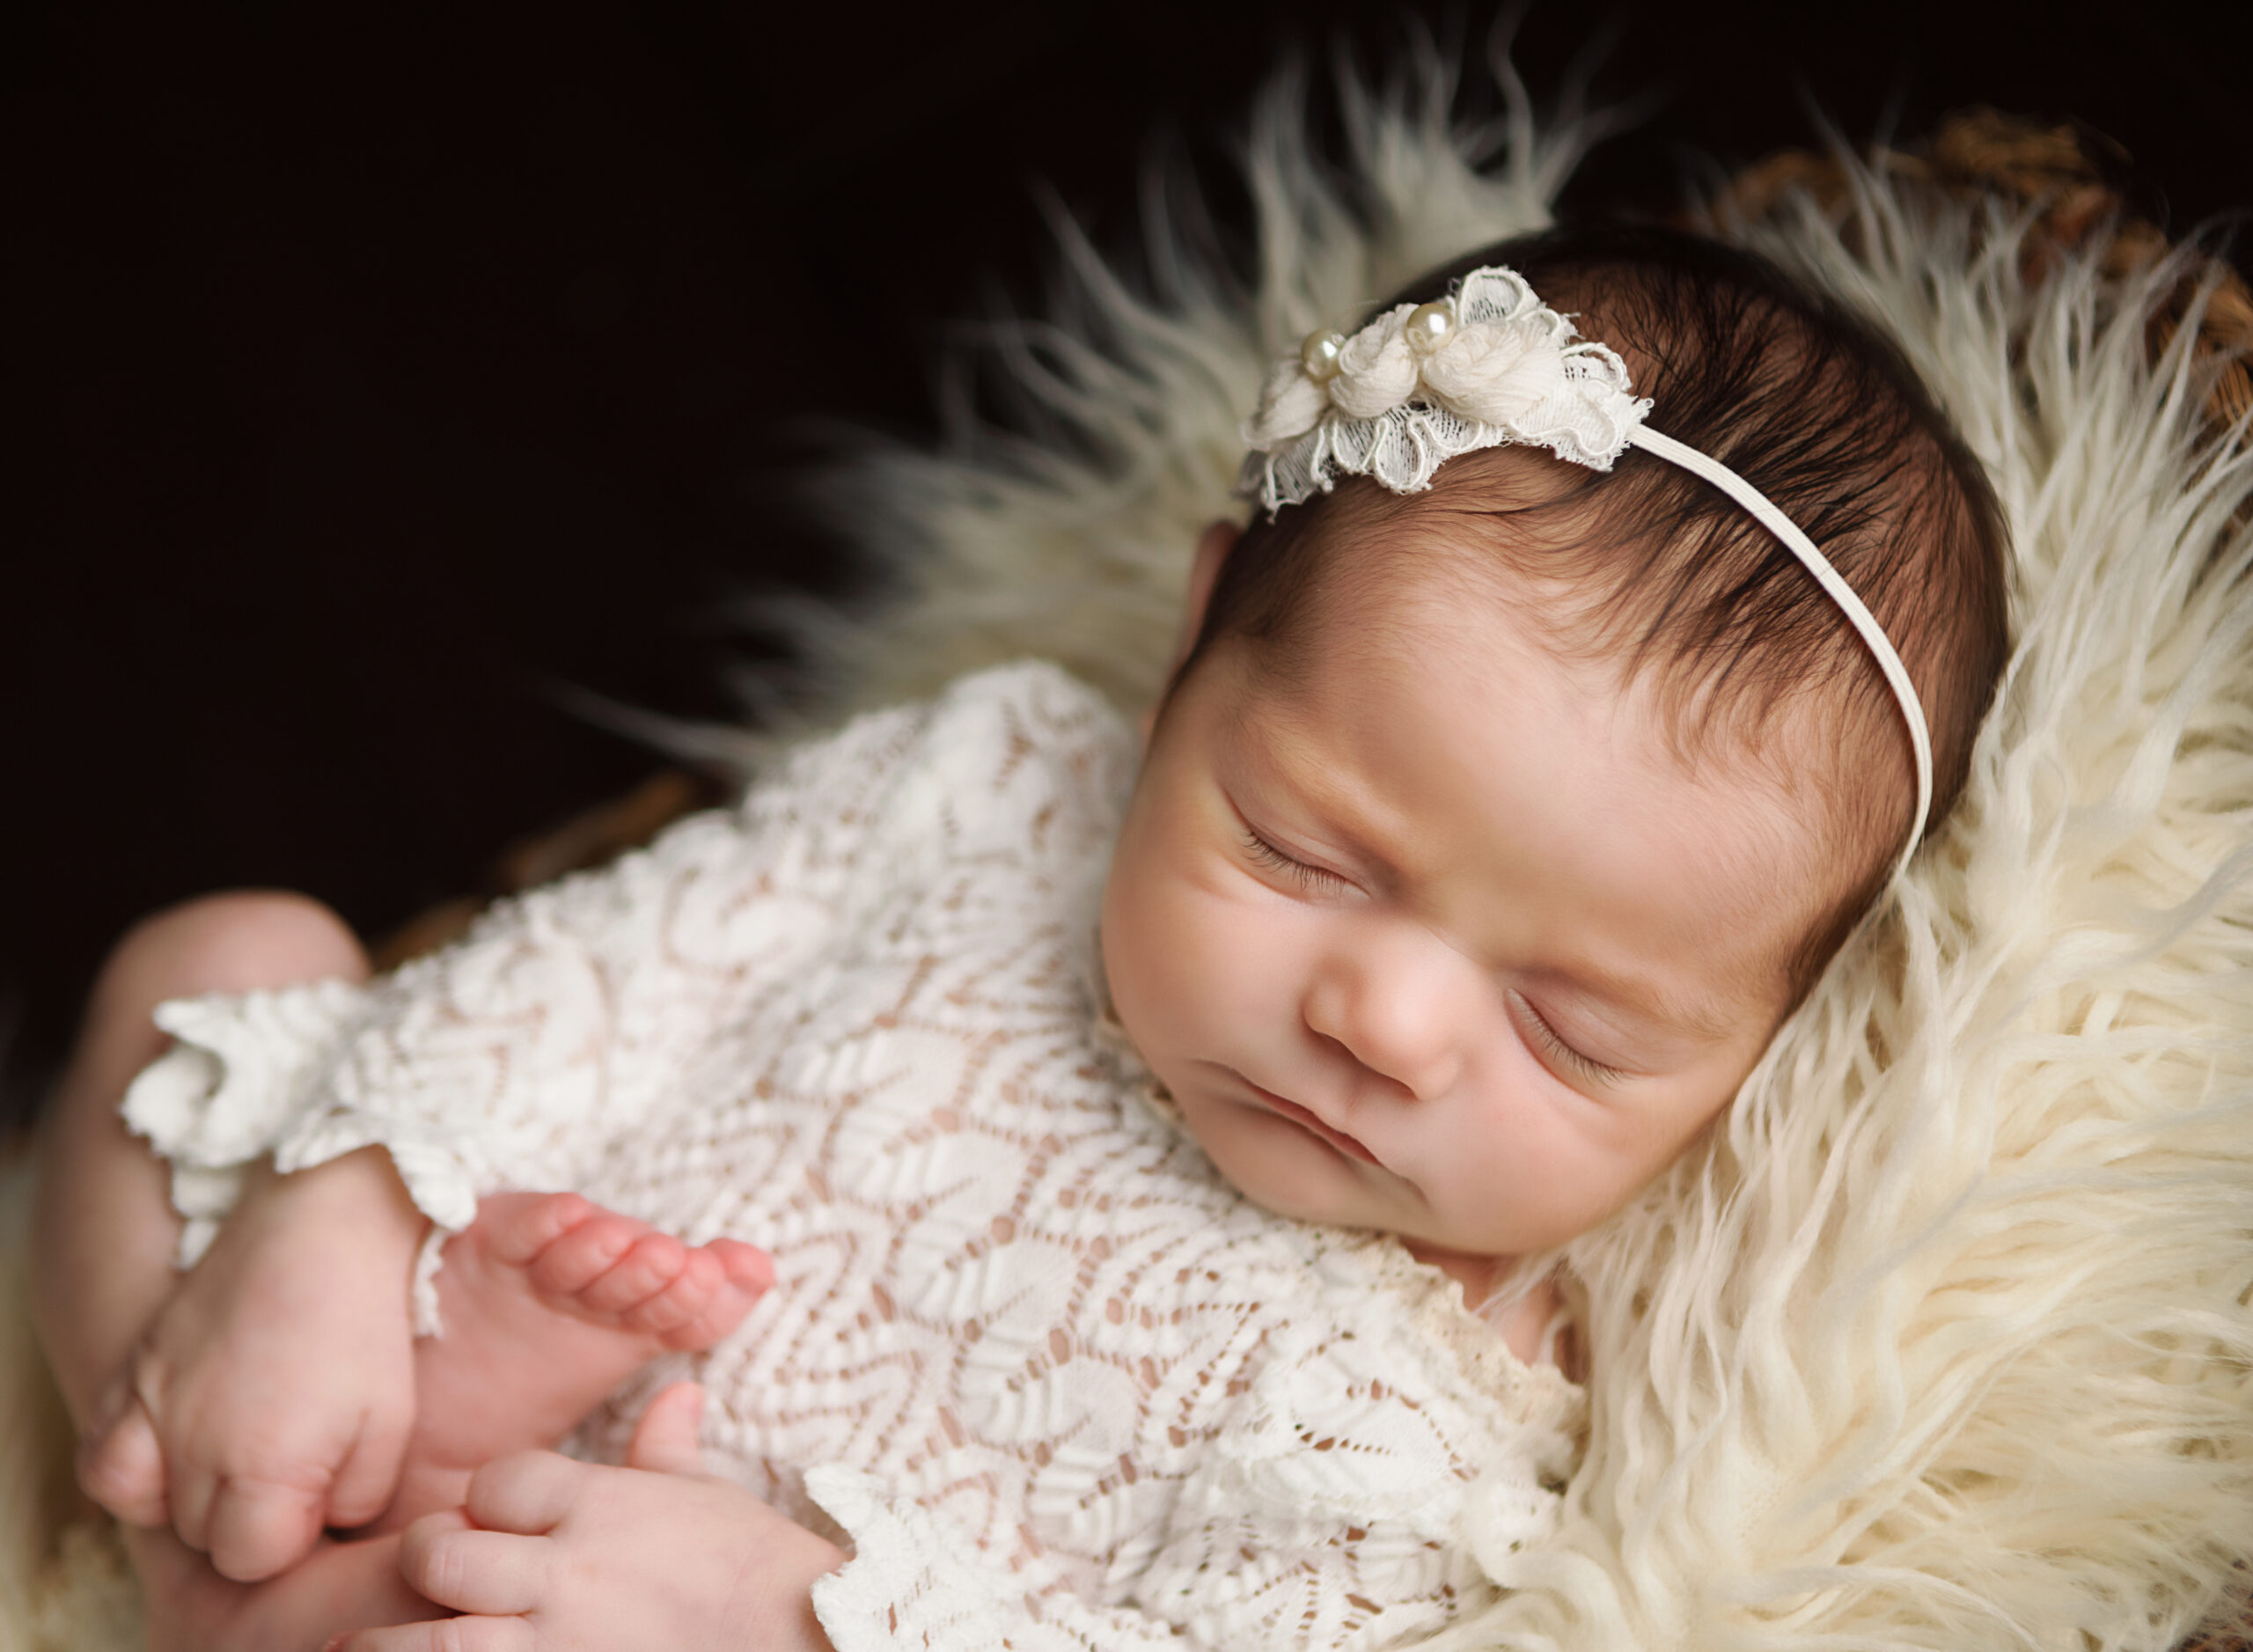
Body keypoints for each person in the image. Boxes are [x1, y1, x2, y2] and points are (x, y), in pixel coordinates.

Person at [29, 222, 2010, 1651]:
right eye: (1305, 849)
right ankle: (223, 1479)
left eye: (1573, 1027)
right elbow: (606, 963)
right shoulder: (992, 790)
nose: (1385, 1021)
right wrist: (346, 1213)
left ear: (1753, 1050)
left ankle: (239, 1577)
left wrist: (795, 1617)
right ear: (1195, 640)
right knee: (223, 952)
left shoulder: (1418, 1415)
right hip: (413, 1341)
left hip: (613, 1612)